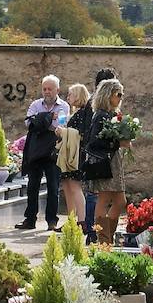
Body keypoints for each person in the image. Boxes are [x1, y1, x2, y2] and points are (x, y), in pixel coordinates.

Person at [16, 75, 70, 231]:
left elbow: (60, 126)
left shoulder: (63, 106)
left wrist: (40, 121)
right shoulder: (35, 104)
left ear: (57, 90)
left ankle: (51, 221)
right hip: (36, 150)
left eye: (50, 89)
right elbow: (29, 123)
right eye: (44, 89)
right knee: (32, 186)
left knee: (53, 187)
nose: (46, 92)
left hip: (53, 151)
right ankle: (30, 219)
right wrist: (47, 118)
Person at [82, 77, 130, 243]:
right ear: (108, 94)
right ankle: (104, 240)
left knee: (120, 201)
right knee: (104, 199)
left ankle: (107, 237)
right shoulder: (101, 115)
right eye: (118, 94)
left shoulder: (112, 114)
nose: (121, 97)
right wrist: (118, 142)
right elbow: (94, 142)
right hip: (104, 163)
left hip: (113, 161)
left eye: (122, 94)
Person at [55, 82, 92, 234]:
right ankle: (71, 220)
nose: (68, 97)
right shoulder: (77, 112)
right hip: (69, 153)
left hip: (76, 155)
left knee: (75, 187)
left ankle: (81, 221)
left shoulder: (83, 113)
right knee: (67, 186)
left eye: (70, 94)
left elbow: (80, 134)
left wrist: (63, 132)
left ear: (77, 96)